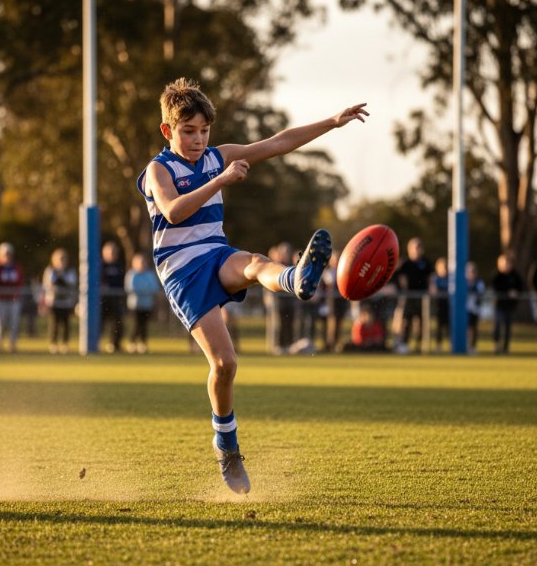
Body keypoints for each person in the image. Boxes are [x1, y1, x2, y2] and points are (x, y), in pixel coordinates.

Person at [135, 77, 366, 493]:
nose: (198, 139)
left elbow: (276, 143)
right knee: (225, 365)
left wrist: (332, 122)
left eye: (204, 131)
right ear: (168, 131)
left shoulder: (216, 155)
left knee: (257, 262)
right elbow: (172, 212)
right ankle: (226, 444)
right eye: (189, 131)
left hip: (216, 253)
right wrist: (220, 181)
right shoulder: (159, 169)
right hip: (182, 272)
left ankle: (295, 278)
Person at [392, 237, 431, 354]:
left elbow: (431, 278)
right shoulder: (405, 264)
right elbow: (396, 277)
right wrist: (401, 287)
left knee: (421, 323)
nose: (417, 250)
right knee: (406, 322)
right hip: (408, 297)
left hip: (422, 298)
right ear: (409, 249)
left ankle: (419, 345)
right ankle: (404, 344)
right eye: (415, 247)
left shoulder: (426, 263)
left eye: (419, 247)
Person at [43, 248, 78, 354]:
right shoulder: (50, 270)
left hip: (66, 302)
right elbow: (48, 285)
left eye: (63, 259)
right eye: (59, 259)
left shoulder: (70, 271)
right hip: (54, 302)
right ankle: (53, 344)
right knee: (54, 324)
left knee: (66, 324)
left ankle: (65, 344)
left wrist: (61, 280)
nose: (61, 261)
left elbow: (71, 284)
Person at [264, 242, 296, 355]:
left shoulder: (293, 266)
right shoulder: (277, 266)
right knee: (280, 324)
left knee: (290, 323)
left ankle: (289, 345)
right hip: (279, 301)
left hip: (290, 301)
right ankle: (279, 346)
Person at [125, 253, 160, 354]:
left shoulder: (150, 274)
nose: (142, 264)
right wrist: (145, 290)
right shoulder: (131, 274)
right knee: (136, 324)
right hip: (135, 305)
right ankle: (131, 343)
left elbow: (154, 288)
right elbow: (131, 288)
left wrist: (144, 290)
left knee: (144, 325)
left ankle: (142, 344)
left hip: (147, 304)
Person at [0, 242, 25, 353]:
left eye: (9, 254)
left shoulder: (16, 267)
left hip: (13, 300)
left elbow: (20, 282)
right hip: (0, 300)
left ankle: (13, 345)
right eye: (5, 254)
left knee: (14, 324)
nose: (7, 256)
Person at [491, 253, 524, 354]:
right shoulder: (496, 275)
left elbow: (521, 286)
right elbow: (495, 288)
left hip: (510, 306)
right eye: (503, 263)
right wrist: (507, 292)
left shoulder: (514, 275)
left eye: (507, 263)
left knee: (507, 326)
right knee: (497, 325)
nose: (506, 265)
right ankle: (496, 345)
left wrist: (516, 292)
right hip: (499, 305)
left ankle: (506, 347)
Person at [99, 241, 127, 354]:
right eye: (109, 252)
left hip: (116, 299)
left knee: (117, 323)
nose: (112, 255)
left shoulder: (119, 266)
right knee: (99, 323)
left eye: (114, 252)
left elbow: (122, 281)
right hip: (102, 300)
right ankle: (95, 343)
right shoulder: (100, 266)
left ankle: (114, 344)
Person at [429, 257, 450, 352]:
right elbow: (433, 291)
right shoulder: (435, 278)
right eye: (442, 267)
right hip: (438, 306)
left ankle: (451, 344)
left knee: (449, 326)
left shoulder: (451, 278)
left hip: (448, 306)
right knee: (439, 327)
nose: (444, 269)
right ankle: (438, 346)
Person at [465, 262, 485, 354]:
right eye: (469, 272)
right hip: (465, 309)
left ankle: (472, 346)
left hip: (475, 309)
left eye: (473, 272)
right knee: (466, 328)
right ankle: (465, 345)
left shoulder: (479, 282)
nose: (471, 274)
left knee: (473, 327)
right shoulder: (463, 282)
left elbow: (480, 293)